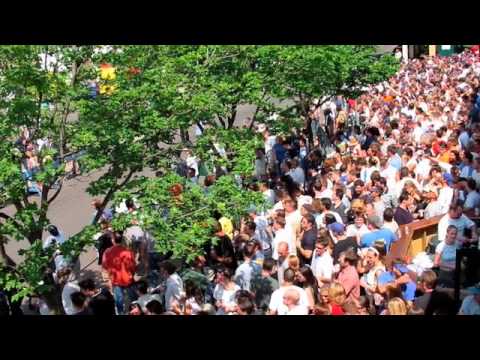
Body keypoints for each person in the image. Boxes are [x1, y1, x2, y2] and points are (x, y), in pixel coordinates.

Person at [102, 231, 137, 315]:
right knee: (134, 298)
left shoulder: (107, 252)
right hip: (128, 279)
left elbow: (104, 268)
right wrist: (131, 274)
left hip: (115, 281)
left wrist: (108, 280)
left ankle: (121, 313)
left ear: (113, 240)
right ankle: (136, 311)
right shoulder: (128, 252)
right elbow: (133, 267)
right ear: (121, 240)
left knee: (119, 301)